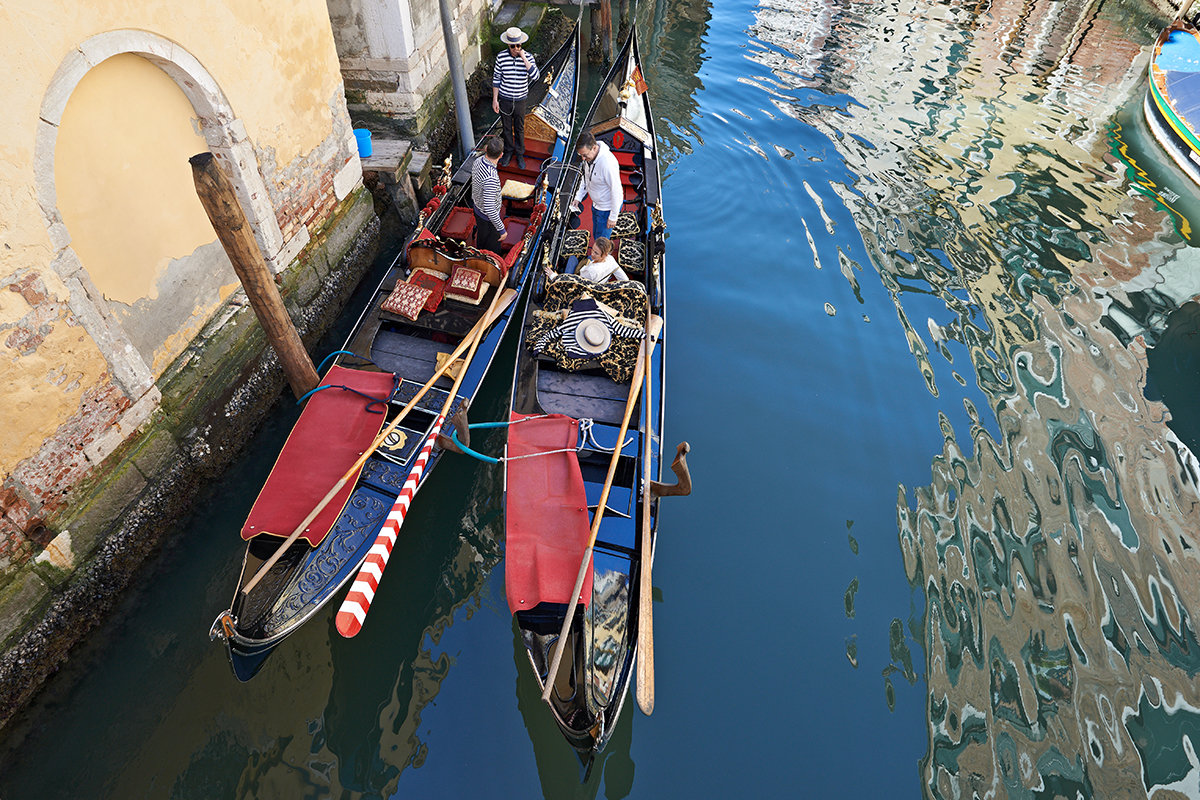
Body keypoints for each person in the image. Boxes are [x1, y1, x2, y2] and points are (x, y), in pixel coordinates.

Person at [492, 27, 539, 170]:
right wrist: (495, 99)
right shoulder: (501, 57)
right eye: (513, 46)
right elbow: (496, 79)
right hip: (505, 99)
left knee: (519, 128)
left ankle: (519, 154)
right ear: (508, 45)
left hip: (520, 100)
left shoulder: (528, 58)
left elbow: (536, 76)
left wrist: (523, 57)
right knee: (506, 129)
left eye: (518, 45)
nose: (516, 49)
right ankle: (508, 152)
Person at [571, 132, 623, 241]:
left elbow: (617, 191)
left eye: (585, 155)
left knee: (601, 241)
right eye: (581, 155)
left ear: (594, 148)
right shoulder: (588, 159)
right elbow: (585, 179)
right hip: (596, 205)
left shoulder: (607, 164)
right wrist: (578, 197)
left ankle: (601, 257)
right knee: (597, 233)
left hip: (606, 209)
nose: (583, 159)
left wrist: (613, 217)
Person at [471, 138, 506, 254]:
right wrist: (502, 230)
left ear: (486, 149)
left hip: (477, 207)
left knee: (481, 236)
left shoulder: (478, 160)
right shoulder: (491, 178)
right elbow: (490, 209)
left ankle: (479, 252)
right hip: (488, 218)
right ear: (501, 155)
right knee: (493, 246)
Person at [544, 237, 628, 284]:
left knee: (572, 258)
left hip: (582, 282)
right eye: (593, 250)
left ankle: (561, 270)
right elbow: (625, 280)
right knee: (586, 258)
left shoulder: (591, 271)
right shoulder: (611, 259)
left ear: (605, 254)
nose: (592, 254)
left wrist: (554, 276)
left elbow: (575, 282)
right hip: (597, 278)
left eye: (596, 253)